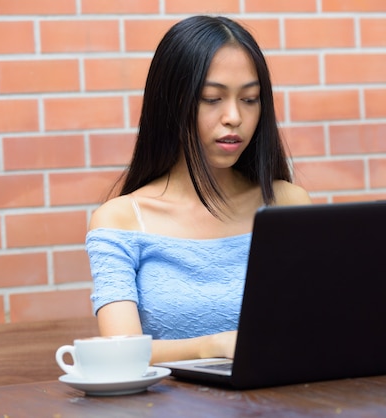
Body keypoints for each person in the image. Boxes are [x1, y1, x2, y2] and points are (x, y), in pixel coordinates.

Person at [86, 15, 312, 364]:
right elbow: (121, 352)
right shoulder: (120, 220)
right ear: (171, 104)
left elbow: (317, 325)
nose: (234, 116)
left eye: (250, 99)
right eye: (211, 98)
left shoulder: (286, 202)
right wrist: (213, 347)